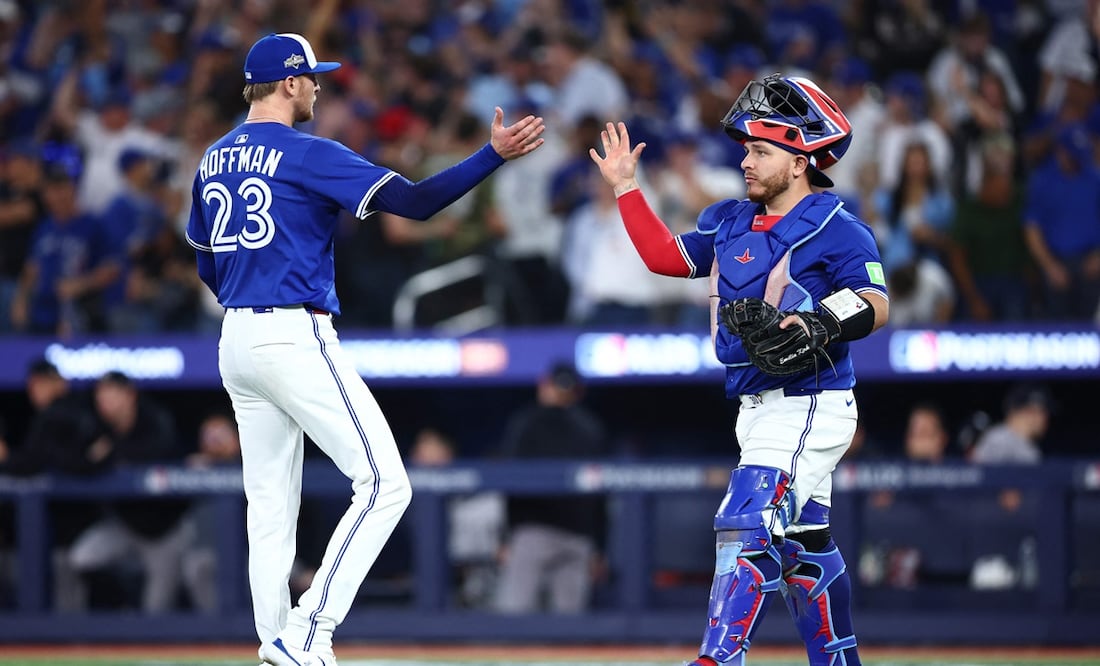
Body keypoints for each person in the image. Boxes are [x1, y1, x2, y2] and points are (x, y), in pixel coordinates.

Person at [184, 32, 544, 666]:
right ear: (291, 83)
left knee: (269, 506)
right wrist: (489, 157)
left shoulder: (213, 157)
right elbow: (415, 203)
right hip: (291, 332)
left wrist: (247, 295)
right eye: (313, 77)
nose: (319, 87)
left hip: (234, 335)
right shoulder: (303, 152)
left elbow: (206, 262)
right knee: (385, 484)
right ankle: (308, 632)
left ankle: (276, 646)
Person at [591, 73, 890, 666]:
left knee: (747, 519)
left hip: (812, 399)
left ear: (801, 159)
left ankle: (717, 658)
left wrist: (821, 322)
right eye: (748, 150)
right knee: (804, 548)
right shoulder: (731, 221)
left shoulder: (839, 227)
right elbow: (665, 258)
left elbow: (878, 302)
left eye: (761, 151)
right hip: (755, 406)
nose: (746, 162)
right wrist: (627, 188)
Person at [492, 361, 610, 614]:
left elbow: (509, 483)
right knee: (568, 632)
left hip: (535, 533)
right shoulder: (590, 426)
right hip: (577, 535)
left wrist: (505, 536)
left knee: (512, 622)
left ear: (544, 387)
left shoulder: (526, 422)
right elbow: (601, 497)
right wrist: (599, 546)